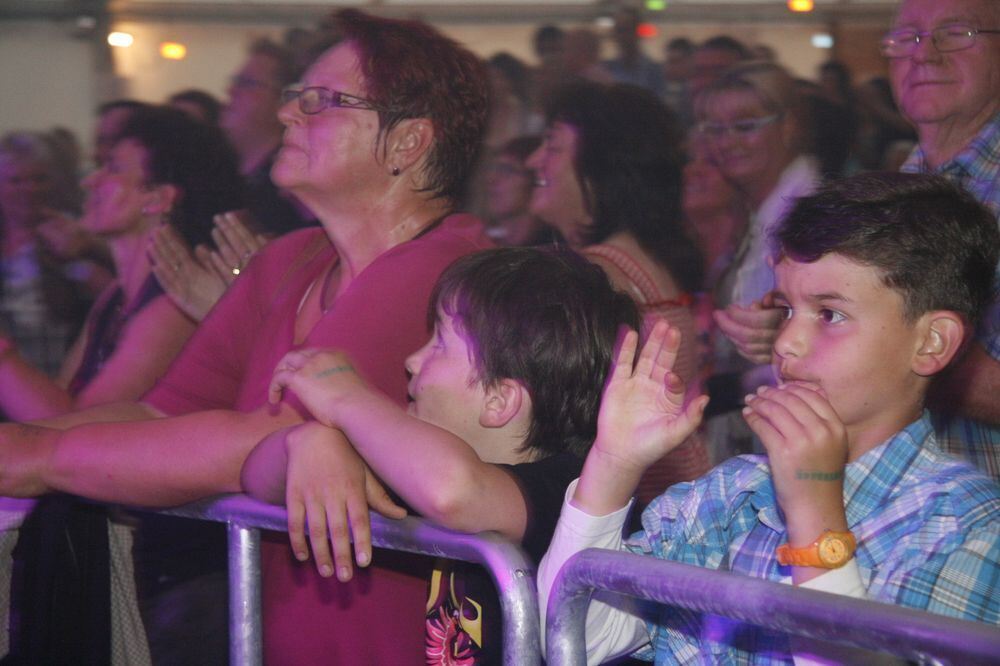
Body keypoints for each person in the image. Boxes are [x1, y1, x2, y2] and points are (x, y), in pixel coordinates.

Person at [0, 9, 492, 665]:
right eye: (294, 97)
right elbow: (161, 411)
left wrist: (36, 459)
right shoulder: (290, 258)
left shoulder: (442, 272)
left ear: (407, 143)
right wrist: (28, 447)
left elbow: (260, 438)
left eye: (322, 102)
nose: (290, 115)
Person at [538, 172, 1000, 663]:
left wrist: (815, 523)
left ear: (931, 343)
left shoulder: (967, 527)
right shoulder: (729, 494)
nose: (785, 344)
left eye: (829, 314)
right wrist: (611, 464)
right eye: (785, 310)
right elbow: (574, 638)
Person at [242, 247, 640, 664]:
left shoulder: (573, 487)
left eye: (439, 346)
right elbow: (255, 479)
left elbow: (453, 492)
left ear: (499, 399)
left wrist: (346, 397)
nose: (411, 362)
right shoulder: (420, 472)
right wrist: (307, 443)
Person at [4, 104, 245, 665]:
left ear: (158, 197)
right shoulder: (117, 297)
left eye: (112, 167)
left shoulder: (176, 305)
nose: (90, 180)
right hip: (134, 560)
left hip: (176, 577)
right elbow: (56, 416)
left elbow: (90, 423)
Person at [527, 80, 708, 503]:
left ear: (600, 168)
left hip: (637, 513)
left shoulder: (599, 274)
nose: (535, 160)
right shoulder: (641, 256)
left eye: (553, 146)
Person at [884, 0, 1000, 480]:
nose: (923, 54)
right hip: (904, 518)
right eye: (906, 38)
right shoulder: (899, 187)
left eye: (955, 33)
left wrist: (887, 345)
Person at [696, 61, 820, 460]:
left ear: (789, 126)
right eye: (714, 129)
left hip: (803, 438)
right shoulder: (757, 211)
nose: (726, 141)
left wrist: (723, 390)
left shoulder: (811, 212)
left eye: (745, 126)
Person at [0, 132, 91, 380]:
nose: (28, 189)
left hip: (61, 381)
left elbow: (110, 295)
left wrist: (73, 262)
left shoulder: (76, 234)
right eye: (16, 180)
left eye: (38, 179)